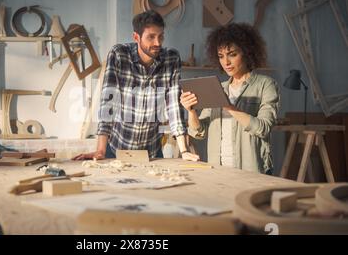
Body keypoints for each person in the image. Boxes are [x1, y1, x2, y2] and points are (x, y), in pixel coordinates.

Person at [73, 10, 199, 161]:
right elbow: (108, 103)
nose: (157, 43)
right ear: (136, 37)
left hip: (152, 152)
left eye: (161, 36)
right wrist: (100, 150)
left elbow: (174, 106)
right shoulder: (119, 54)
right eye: (151, 37)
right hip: (116, 150)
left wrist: (184, 150)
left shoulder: (171, 58)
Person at [180, 23, 279, 174]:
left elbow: (263, 128)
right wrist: (191, 111)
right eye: (221, 56)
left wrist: (228, 106)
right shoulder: (218, 87)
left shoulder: (266, 85)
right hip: (218, 169)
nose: (226, 62)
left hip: (251, 170)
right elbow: (199, 132)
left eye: (232, 54)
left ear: (247, 52)